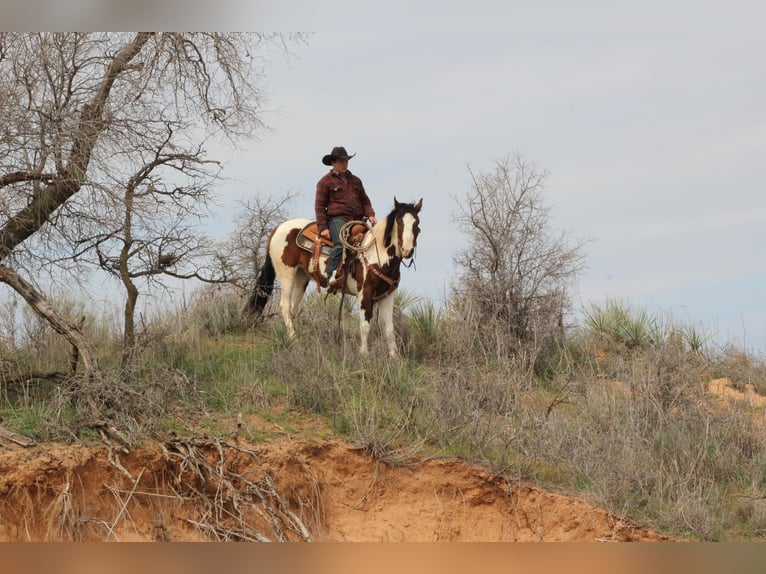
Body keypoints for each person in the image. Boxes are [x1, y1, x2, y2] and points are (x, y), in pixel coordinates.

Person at [315, 146, 377, 287]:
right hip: (338, 219)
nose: (344, 164)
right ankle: (330, 274)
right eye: (341, 161)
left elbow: (365, 200)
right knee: (340, 242)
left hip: (358, 220)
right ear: (333, 163)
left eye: (346, 161)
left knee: (373, 241)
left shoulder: (356, 180)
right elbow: (319, 207)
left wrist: (371, 214)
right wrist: (323, 228)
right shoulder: (325, 182)